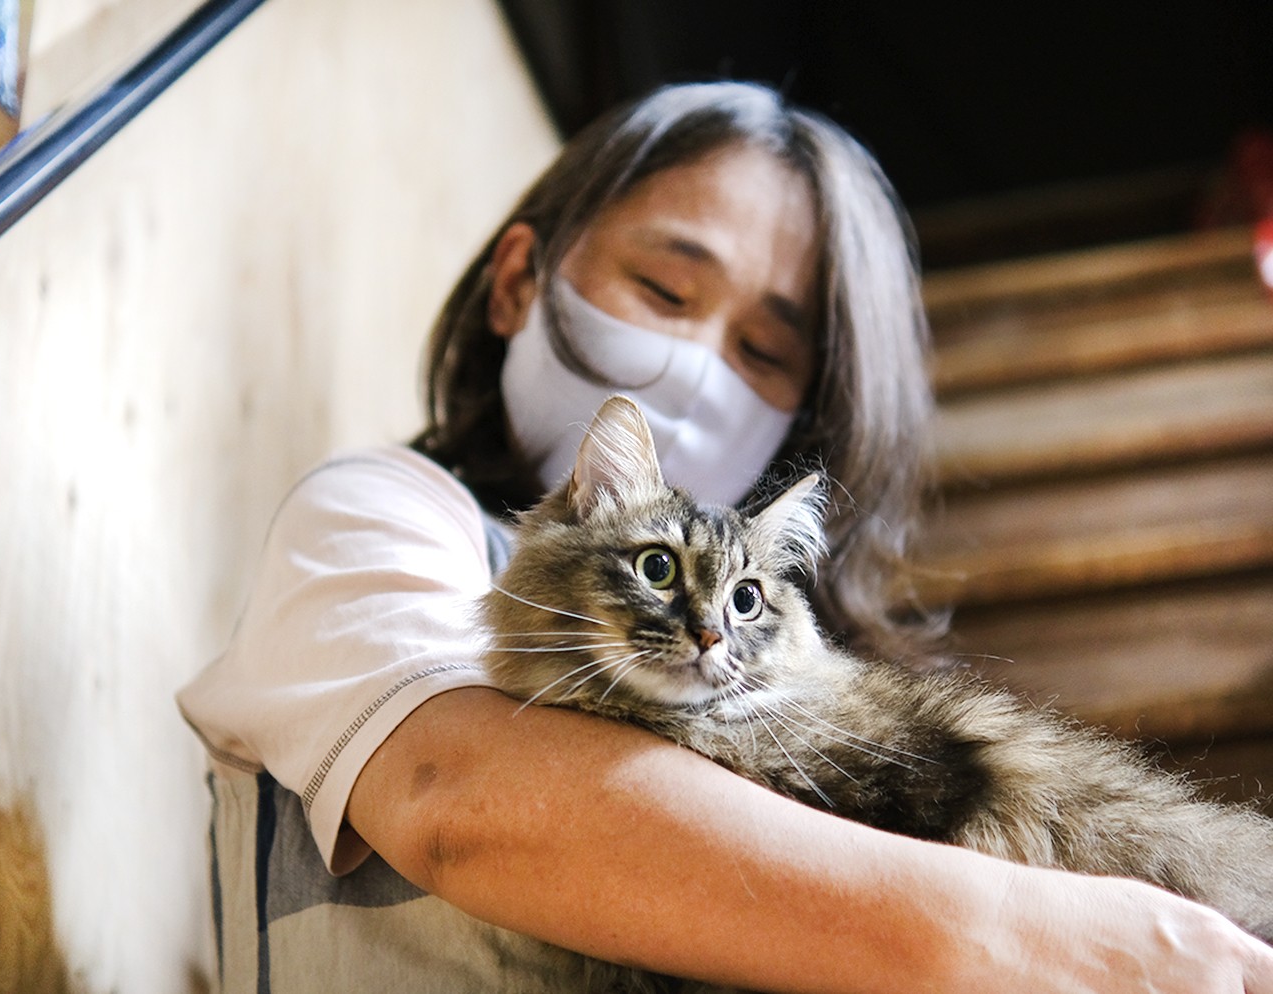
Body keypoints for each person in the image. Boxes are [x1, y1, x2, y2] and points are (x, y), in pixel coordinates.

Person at [177, 82, 1273, 993]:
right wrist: (1017, 929)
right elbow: (448, 795)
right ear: (518, 281)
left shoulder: (795, 672)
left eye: (762, 349)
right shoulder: (385, 513)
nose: (694, 364)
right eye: (662, 285)